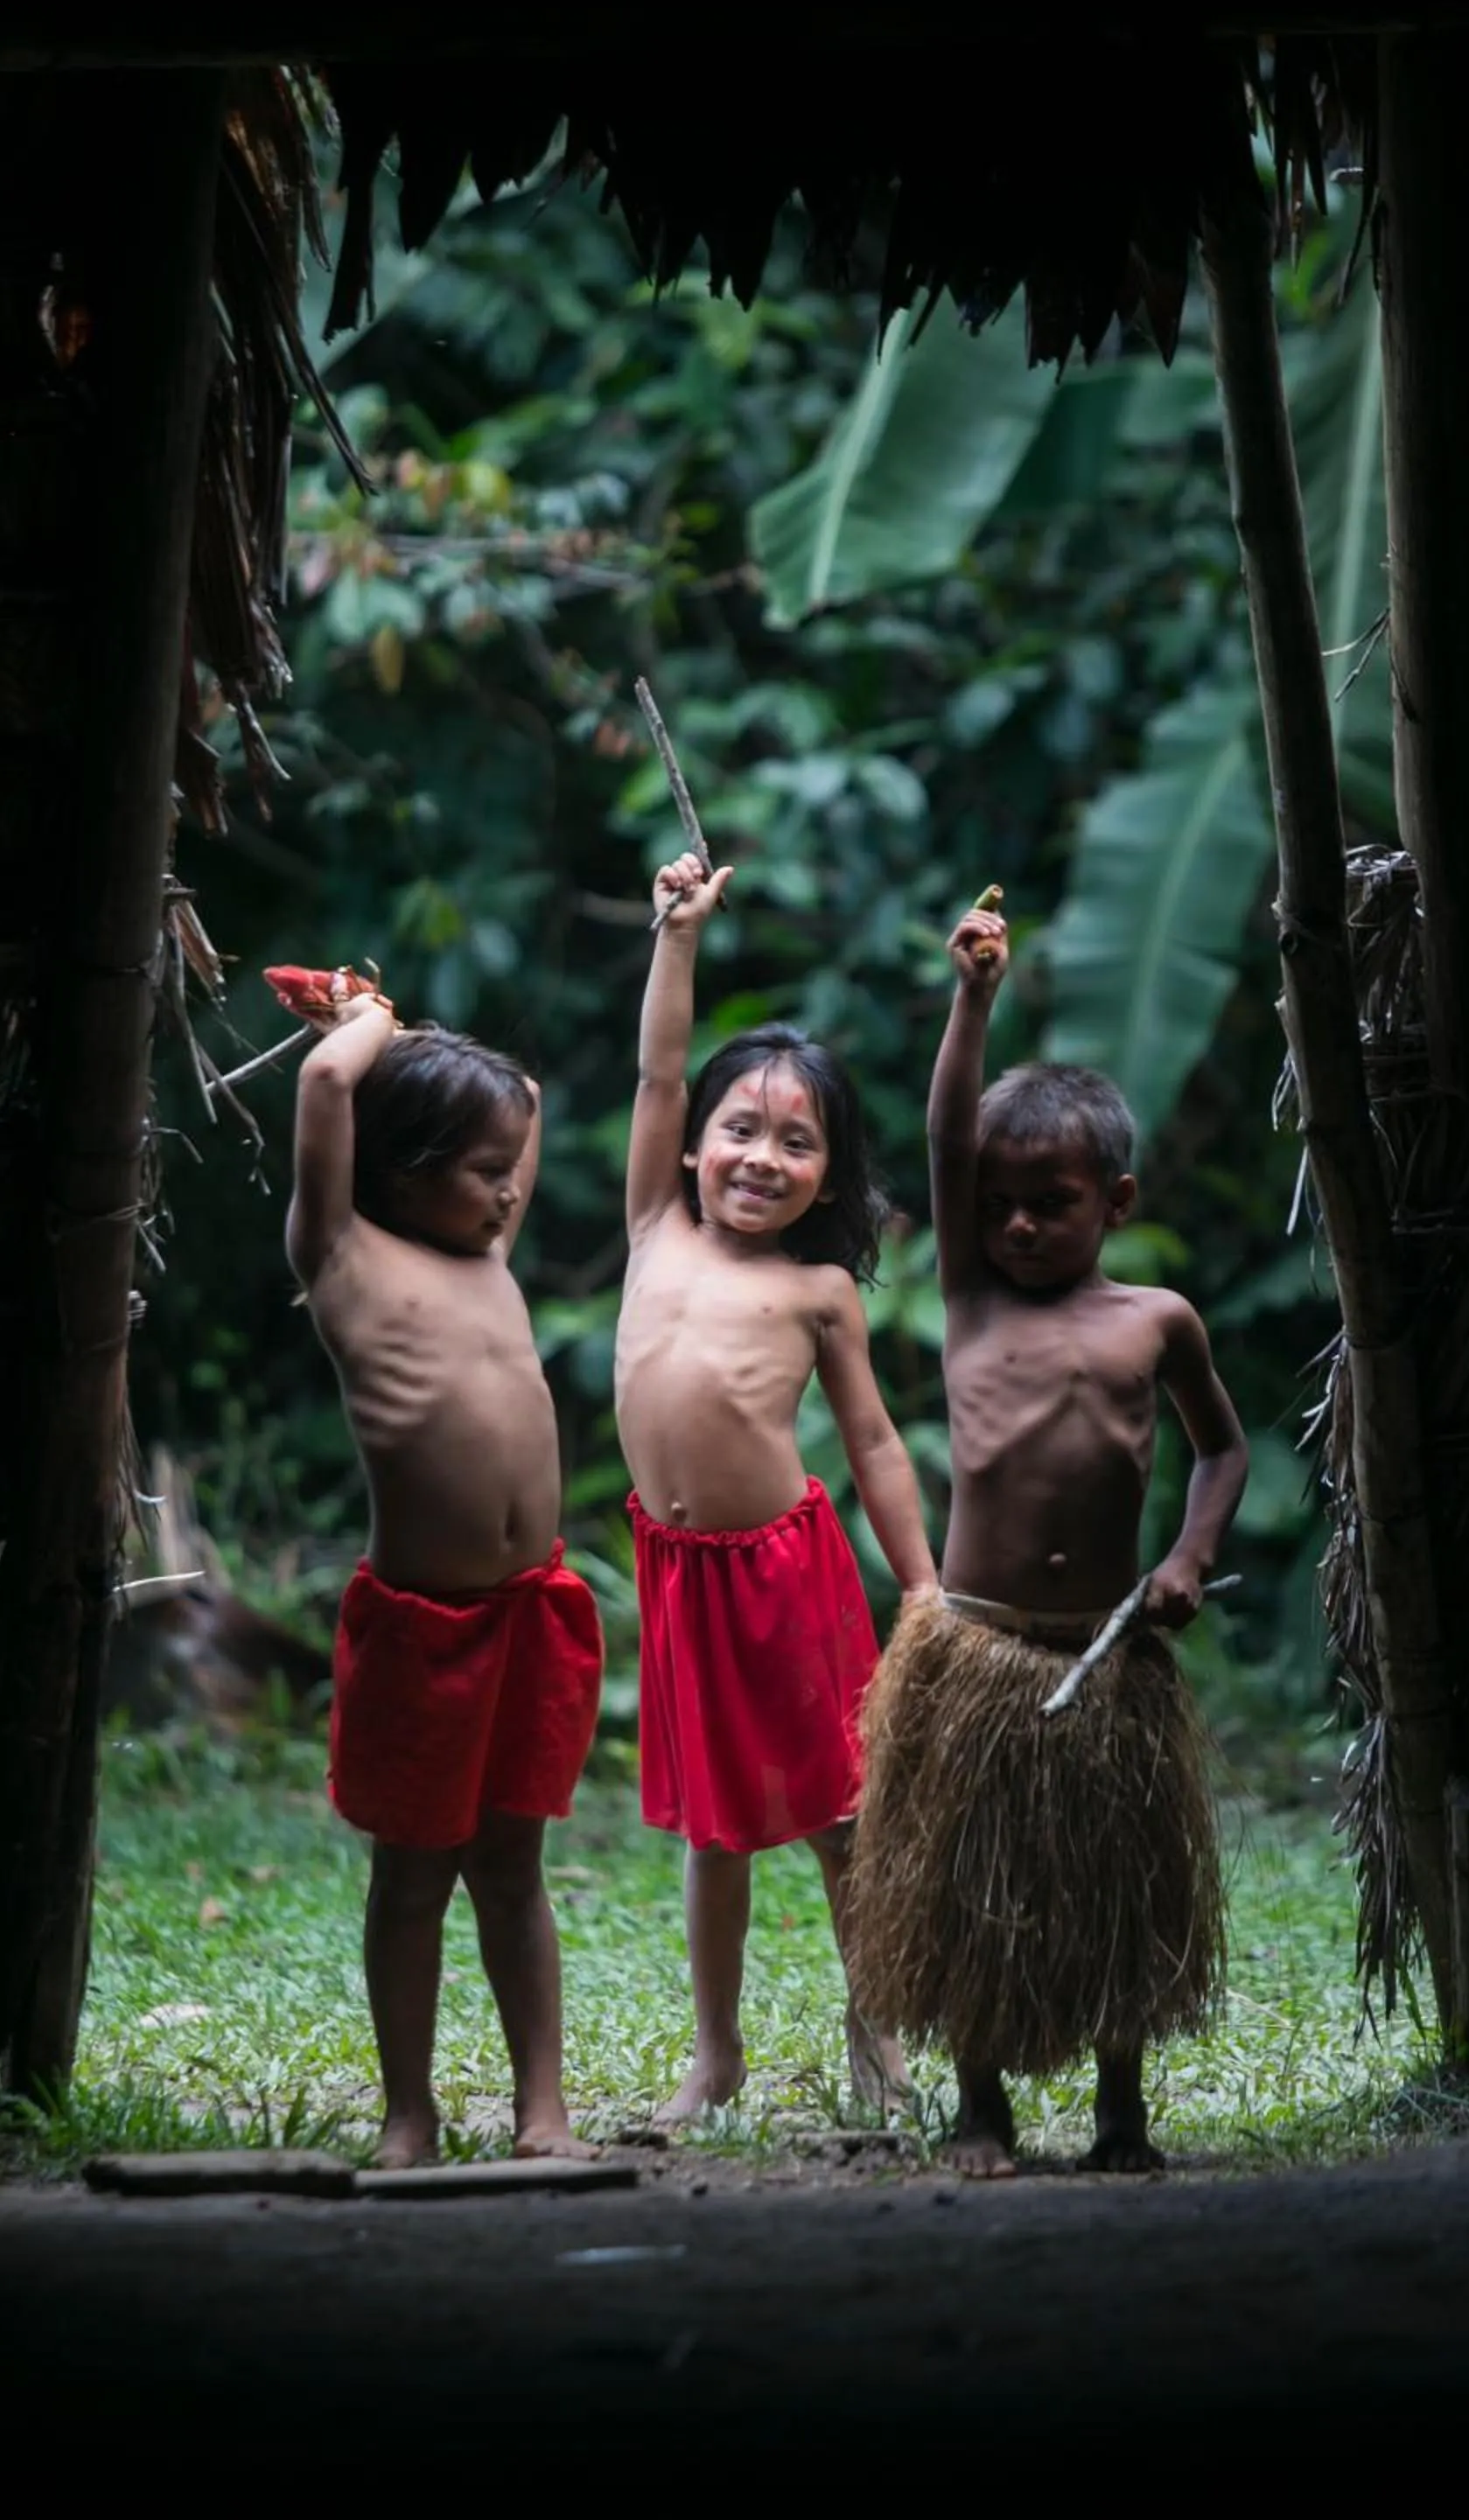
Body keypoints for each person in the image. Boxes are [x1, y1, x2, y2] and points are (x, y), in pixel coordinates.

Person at [850, 897, 1248, 2178]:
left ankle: (1120, 2114)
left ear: (1115, 1198)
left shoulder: (1157, 1321)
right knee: (971, 1889)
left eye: (1053, 1202)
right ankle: (982, 2108)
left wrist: (1187, 1557)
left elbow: (1224, 1450)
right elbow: (939, 1136)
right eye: (1002, 1202)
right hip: (979, 1653)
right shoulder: (969, 1300)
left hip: (1111, 1652)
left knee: (1113, 1890)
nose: (1019, 1224)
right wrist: (973, 998)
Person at [614, 855, 939, 2127]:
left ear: (831, 1175)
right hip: (681, 1575)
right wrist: (677, 938)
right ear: (692, 1144)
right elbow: (653, 1067)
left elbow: (874, 1447)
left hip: (786, 1573)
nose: (759, 1157)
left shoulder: (820, 1291)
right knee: (713, 1831)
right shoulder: (656, 1224)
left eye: (796, 1142)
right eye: (738, 1129)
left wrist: (922, 1589)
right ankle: (716, 2054)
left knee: (842, 1822)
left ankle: (883, 2041)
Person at [284, 976, 604, 2167]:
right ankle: (407, 2111)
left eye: (509, 1166)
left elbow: (519, 1092)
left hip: (531, 1613)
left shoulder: (490, 1247)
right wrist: (367, 1017)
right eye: (482, 1169)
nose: (511, 1187)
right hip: (425, 1628)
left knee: (514, 1870)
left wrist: (421, 1047)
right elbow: (325, 1081)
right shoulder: (343, 1258)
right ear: (398, 1169)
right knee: (413, 1878)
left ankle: (543, 2111)